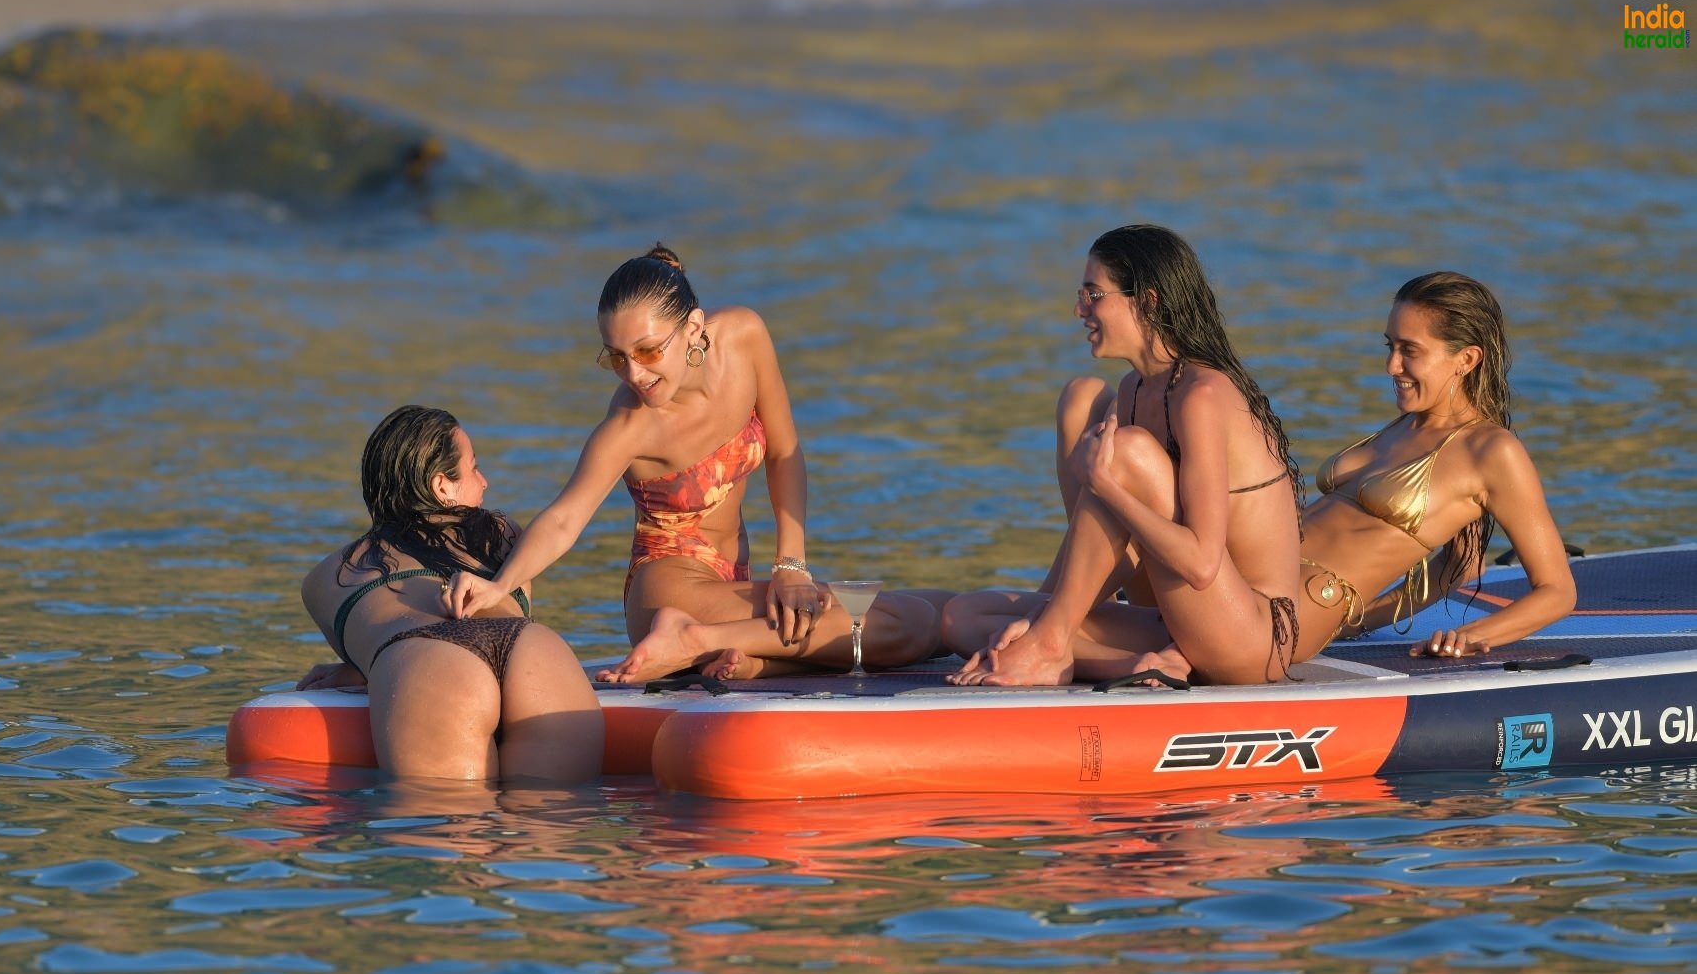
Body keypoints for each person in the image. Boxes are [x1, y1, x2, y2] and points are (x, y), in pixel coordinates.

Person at [444, 244, 940, 681]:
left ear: (694, 328)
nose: (633, 373)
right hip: (670, 591)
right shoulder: (629, 425)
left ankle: (752, 661)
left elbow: (785, 452)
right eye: (616, 357)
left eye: (648, 350)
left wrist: (791, 566)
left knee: (921, 615)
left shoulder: (744, 338)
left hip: (736, 580)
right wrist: (500, 585)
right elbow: (565, 518)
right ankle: (692, 641)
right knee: (906, 627)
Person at [943, 224, 1303, 687]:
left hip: (1252, 636)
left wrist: (1107, 486)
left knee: (1123, 454)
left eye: (1095, 295)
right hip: (1176, 622)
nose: (1079, 310)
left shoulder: (1202, 395)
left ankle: (1054, 649)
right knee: (965, 617)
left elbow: (1199, 565)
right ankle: (1131, 665)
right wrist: (1043, 616)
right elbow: (1118, 545)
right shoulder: (1135, 390)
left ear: (1148, 301)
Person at [298, 405, 603, 782]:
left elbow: (368, 660)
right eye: (474, 467)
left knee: (449, 829)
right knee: (550, 821)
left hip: (427, 658)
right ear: (441, 486)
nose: (485, 481)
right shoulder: (504, 532)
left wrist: (370, 668)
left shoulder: (330, 574)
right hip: (532, 650)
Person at [1294, 271, 1575, 660]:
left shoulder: (1491, 451)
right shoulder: (1403, 426)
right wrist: (1351, 624)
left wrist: (1471, 635)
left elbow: (1557, 591)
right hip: (1258, 585)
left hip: (1285, 615)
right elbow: (1461, 564)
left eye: (1410, 351)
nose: (1392, 366)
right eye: (1390, 346)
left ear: (1466, 359)